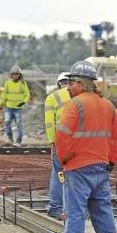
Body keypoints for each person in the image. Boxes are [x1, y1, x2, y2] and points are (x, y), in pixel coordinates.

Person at [48, 61, 117, 233]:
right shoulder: (107, 105)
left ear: (82, 84)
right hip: (101, 167)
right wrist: (111, 161)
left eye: (71, 82)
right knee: (101, 208)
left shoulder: (74, 105)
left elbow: (62, 134)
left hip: (77, 168)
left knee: (74, 211)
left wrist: (63, 159)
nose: (67, 87)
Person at [44, 72, 71, 220]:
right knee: (72, 175)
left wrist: (52, 143)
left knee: (58, 174)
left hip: (60, 142)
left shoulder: (52, 97)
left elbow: (49, 124)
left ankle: (57, 209)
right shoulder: (79, 96)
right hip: (78, 142)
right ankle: (67, 210)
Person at [0, 65, 30, 146]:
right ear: (11, 74)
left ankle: (19, 140)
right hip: (9, 107)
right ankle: (10, 138)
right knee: (7, 122)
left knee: (19, 124)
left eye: (17, 74)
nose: (15, 75)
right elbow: (4, 94)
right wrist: (0, 103)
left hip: (18, 108)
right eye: (14, 74)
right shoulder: (8, 83)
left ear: (20, 75)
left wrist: (23, 102)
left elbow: (27, 95)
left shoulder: (23, 84)